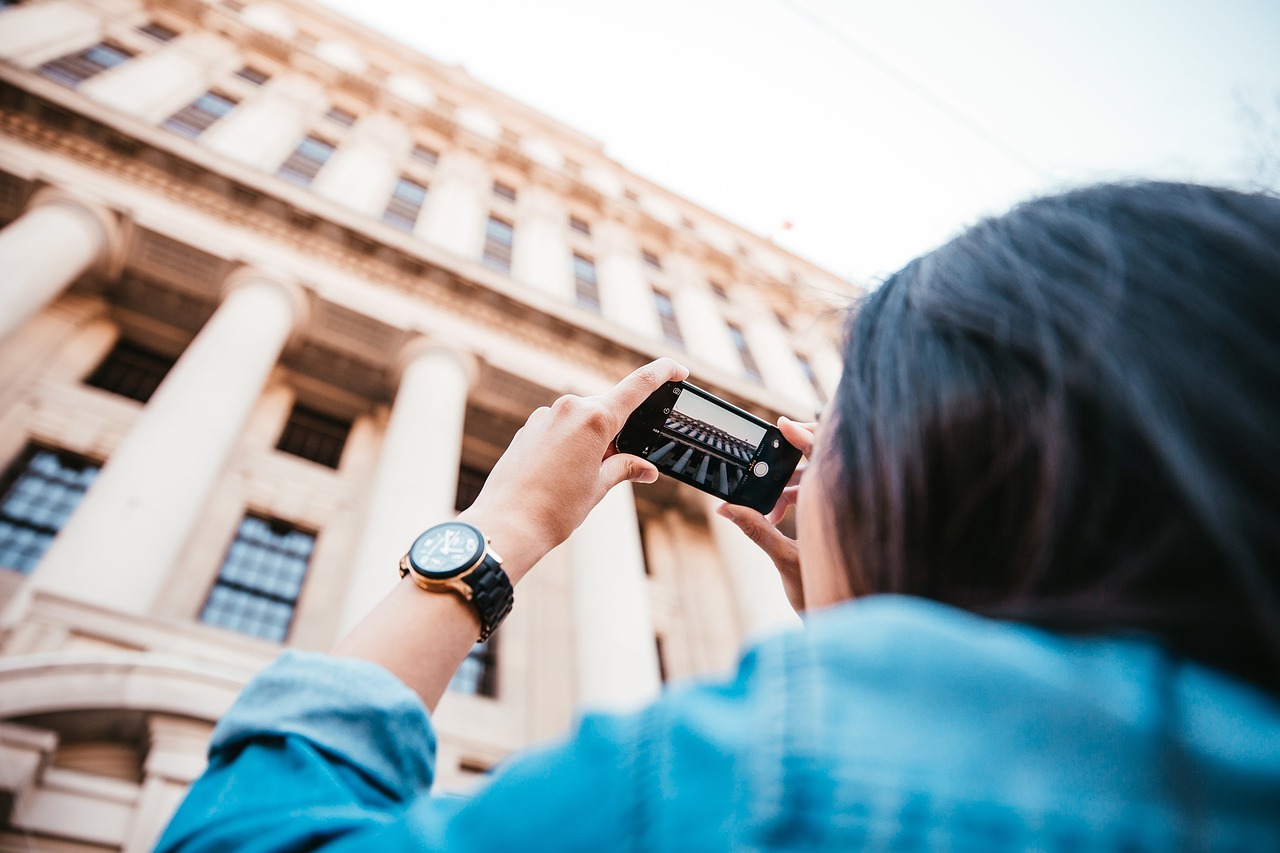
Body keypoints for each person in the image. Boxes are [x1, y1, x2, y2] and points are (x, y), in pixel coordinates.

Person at [156, 182, 1280, 851]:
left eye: (834, 417)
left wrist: (480, 550)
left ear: (939, 467)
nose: (800, 444)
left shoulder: (783, 760)